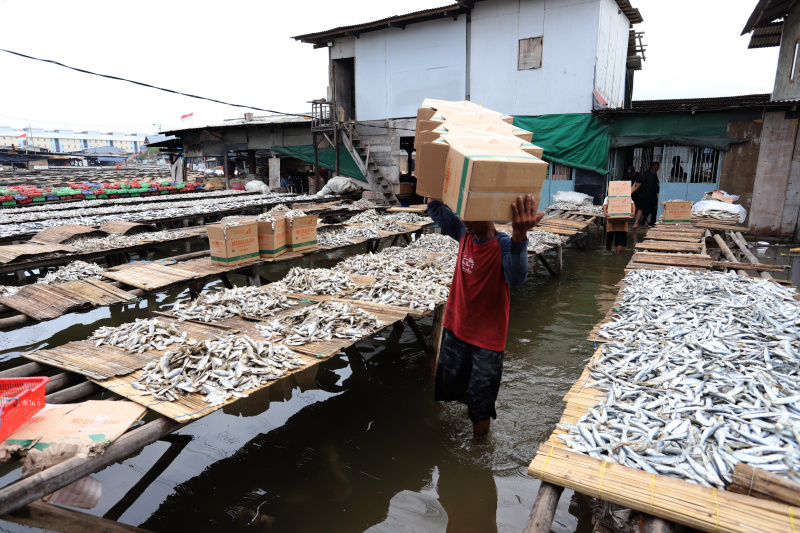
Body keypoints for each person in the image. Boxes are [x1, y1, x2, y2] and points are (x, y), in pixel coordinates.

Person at [427, 195, 544, 438]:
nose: (465, 220)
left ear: (489, 212)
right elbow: (435, 208)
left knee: (480, 412)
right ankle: (482, 398)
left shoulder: (503, 245)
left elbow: (516, 278)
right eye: (463, 213)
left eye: (471, 215)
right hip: (456, 329)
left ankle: (478, 450)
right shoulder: (463, 232)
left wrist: (520, 235)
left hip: (487, 342)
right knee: (449, 390)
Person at [632, 161, 660, 229]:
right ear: (652, 166)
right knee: (645, 208)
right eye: (655, 167)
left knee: (650, 208)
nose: (656, 169)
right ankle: (644, 221)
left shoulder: (654, 174)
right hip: (646, 195)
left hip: (651, 195)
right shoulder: (647, 174)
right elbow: (643, 185)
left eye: (658, 167)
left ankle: (646, 221)